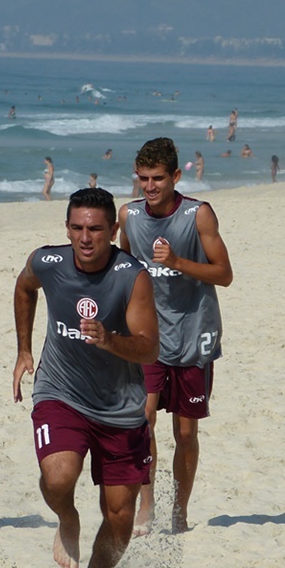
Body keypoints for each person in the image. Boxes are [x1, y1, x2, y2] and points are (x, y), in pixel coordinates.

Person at [13, 187, 159, 568]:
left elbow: (149, 347)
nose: (85, 238)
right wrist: (24, 349)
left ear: (112, 231)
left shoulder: (132, 276)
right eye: (77, 228)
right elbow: (24, 287)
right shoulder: (47, 262)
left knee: (120, 516)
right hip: (61, 392)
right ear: (67, 228)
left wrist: (110, 340)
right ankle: (68, 519)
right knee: (58, 477)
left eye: (95, 229)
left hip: (120, 407)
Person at [119, 137, 233, 535]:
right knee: (142, 420)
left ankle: (179, 511)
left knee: (185, 433)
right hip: (149, 335)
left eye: (158, 178)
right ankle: (146, 505)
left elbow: (224, 274)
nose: (149, 186)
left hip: (194, 333)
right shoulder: (129, 215)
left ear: (175, 177)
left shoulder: (198, 215)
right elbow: (123, 270)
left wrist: (178, 262)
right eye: (143, 178)